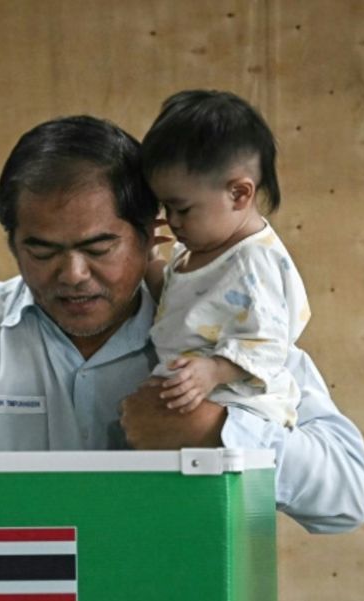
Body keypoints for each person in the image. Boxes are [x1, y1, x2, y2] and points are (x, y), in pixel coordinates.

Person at [0, 115, 364, 533]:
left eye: (98, 248)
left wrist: (214, 431)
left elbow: (346, 495)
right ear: (12, 241)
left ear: (153, 232)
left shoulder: (229, 324)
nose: (73, 275)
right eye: (41, 250)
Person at [139, 89, 308, 428]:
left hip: (243, 411)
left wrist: (214, 370)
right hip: (197, 397)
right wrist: (149, 260)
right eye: (165, 208)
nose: (172, 220)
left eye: (182, 208)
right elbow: (178, 306)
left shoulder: (252, 263)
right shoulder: (197, 250)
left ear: (239, 194)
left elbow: (268, 345)